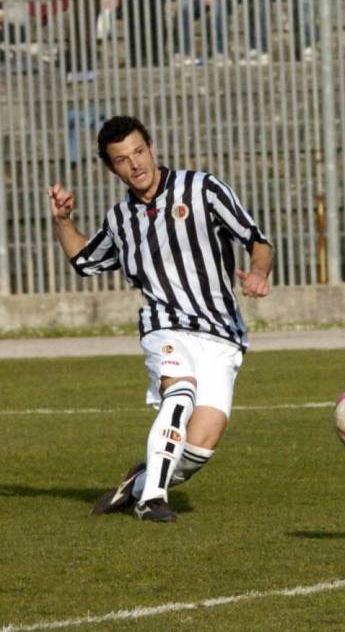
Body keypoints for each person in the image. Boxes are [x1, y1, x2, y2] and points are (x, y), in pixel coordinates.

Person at [47, 116, 273, 523]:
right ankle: (151, 499)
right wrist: (63, 221)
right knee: (179, 394)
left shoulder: (202, 189)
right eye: (122, 160)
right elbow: (84, 260)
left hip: (221, 333)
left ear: (150, 146)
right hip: (164, 325)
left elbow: (257, 238)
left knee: (200, 445)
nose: (134, 164)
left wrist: (258, 272)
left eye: (138, 151)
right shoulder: (120, 220)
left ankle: (138, 482)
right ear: (111, 168)